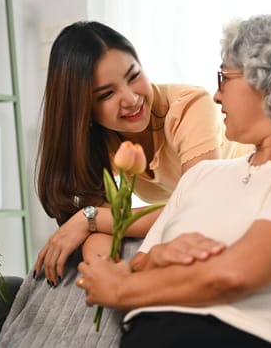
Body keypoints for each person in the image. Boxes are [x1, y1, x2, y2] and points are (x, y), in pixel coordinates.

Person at [77, 12, 271, 348]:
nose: (215, 95)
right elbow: (139, 263)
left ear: (269, 84)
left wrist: (121, 289)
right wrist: (158, 256)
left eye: (224, 77)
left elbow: (235, 275)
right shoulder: (201, 176)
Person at [33, 21, 252, 287]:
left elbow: (195, 208)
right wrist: (103, 269)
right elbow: (99, 226)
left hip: (249, 202)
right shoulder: (98, 139)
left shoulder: (189, 106)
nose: (131, 98)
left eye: (133, 76)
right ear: (83, 109)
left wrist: (88, 218)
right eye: (106, 94)